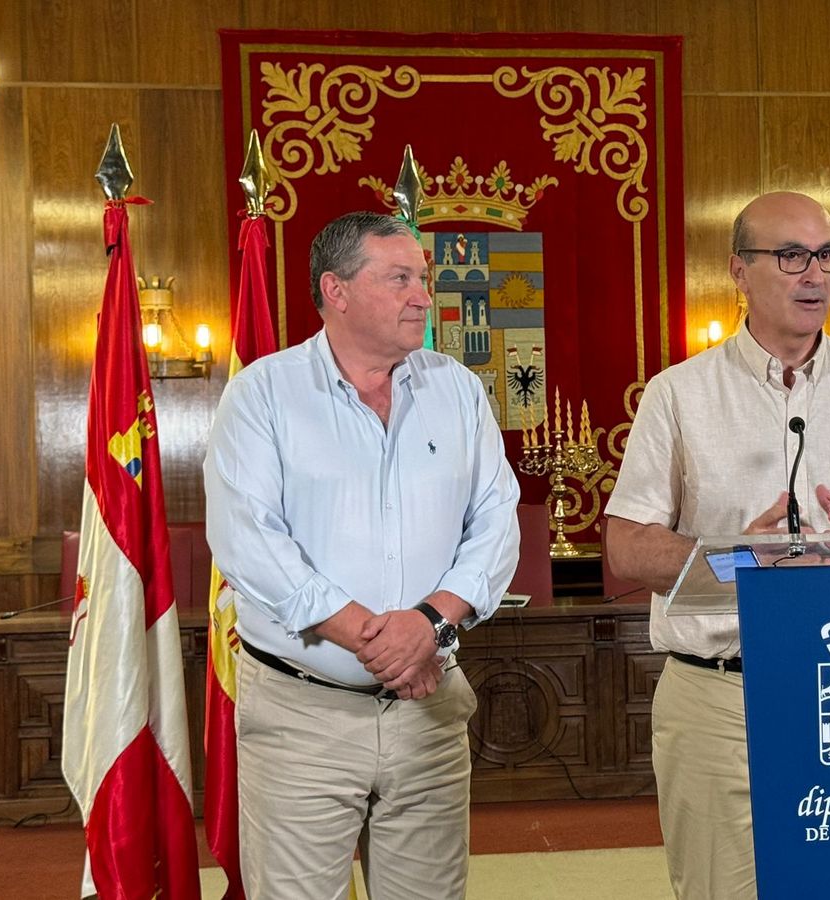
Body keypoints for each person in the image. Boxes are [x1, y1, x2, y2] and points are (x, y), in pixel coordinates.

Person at [603, 191, 830, 900]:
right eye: (791, 256)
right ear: (738, 269)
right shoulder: (679, 395)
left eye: (827, 256)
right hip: (721, 689)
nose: (814, 275)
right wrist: (732, 557)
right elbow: (627, 548)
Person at [203, 211, 520, 900]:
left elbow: (496, 525)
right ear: (336, 291)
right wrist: (377, 641)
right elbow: (249, 541)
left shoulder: (457, 391)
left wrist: (428, 626)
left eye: (424, 279)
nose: (422, 296)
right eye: (400, 278)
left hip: (429, 711)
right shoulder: (262, 394)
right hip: (302, 716)